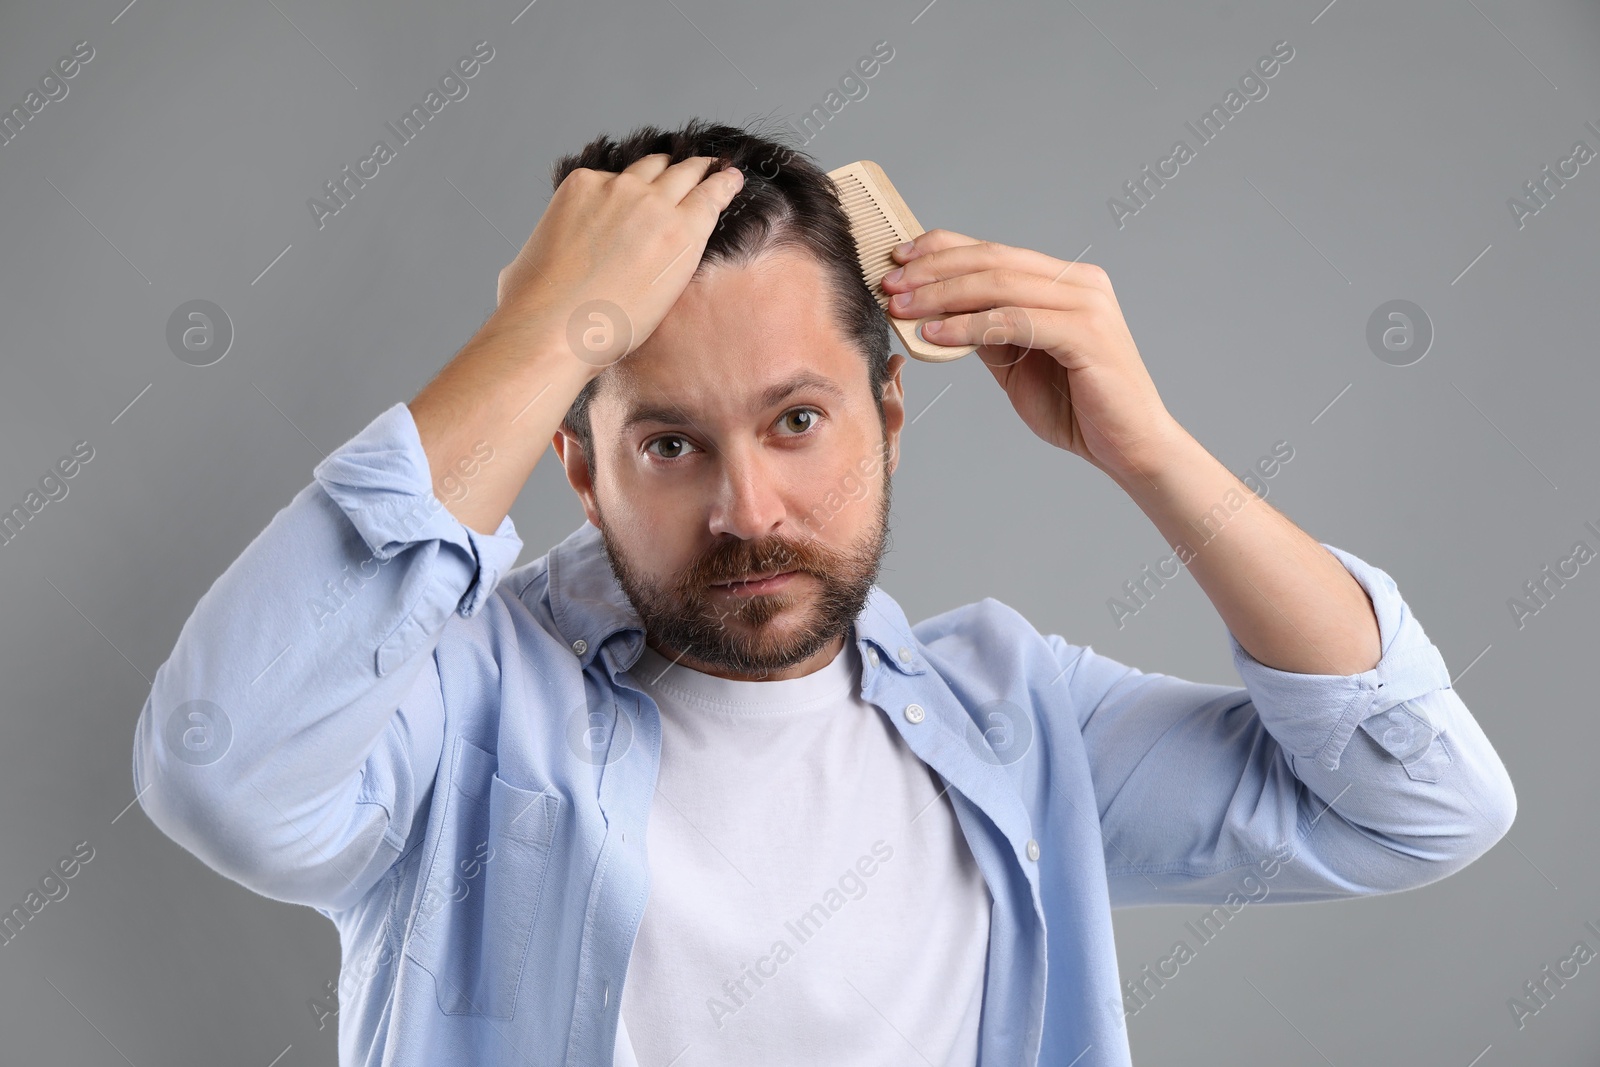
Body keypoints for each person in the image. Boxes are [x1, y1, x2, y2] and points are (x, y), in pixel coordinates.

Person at [131, 118, 1517, 1067]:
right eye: (669, 442)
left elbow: (1423, 803)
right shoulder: (453, 707)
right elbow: (222, 770)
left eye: (798, 422)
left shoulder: (1020, 725)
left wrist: (1145, 448)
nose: (749, 512)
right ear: (577, 460)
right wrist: (543, 333)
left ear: (890, 413)